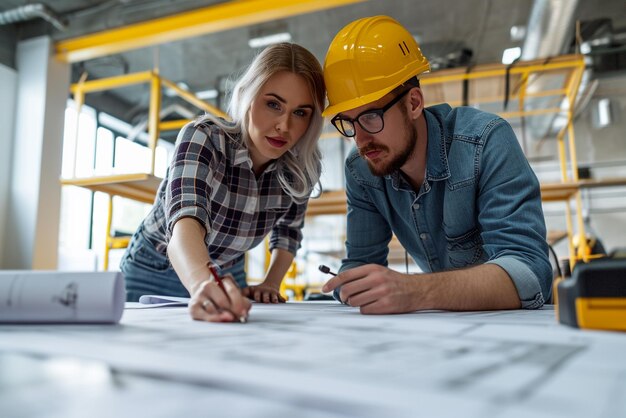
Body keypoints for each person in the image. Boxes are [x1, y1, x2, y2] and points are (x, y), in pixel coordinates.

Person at [321, 16, 552, 314]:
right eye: (348, 122)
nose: (361, 139)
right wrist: (348, 283)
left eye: (370, 116)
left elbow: (529, 271)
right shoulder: (362, 169)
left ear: (414, 103)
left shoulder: (486, 141)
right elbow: (360, 263)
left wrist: (416, 290)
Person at [120, 43, 325, 322]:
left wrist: (270, 283)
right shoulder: (204, 137)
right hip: (154, 268)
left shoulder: (302, 168)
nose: (284, 126)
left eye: (300, 112)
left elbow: (288, 233)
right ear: (248, 96)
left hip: (225, 270)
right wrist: (201, 284)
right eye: (273, 104)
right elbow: (185, 222)